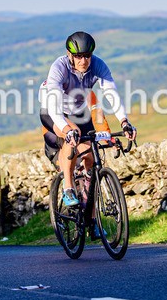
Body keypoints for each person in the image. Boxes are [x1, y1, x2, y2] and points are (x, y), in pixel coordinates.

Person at [39, 31, 137, 214]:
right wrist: (68, 130)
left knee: (90, 157)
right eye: (78, 57)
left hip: (78, 112)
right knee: (72, 136)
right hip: (53, 112)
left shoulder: (98, 65)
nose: (83, 61)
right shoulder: (59, 67)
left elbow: (111, 95)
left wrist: (124, 122)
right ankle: (68, 188)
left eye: (87, 56)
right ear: (69, 55)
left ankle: (91, 217)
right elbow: (53, 107)